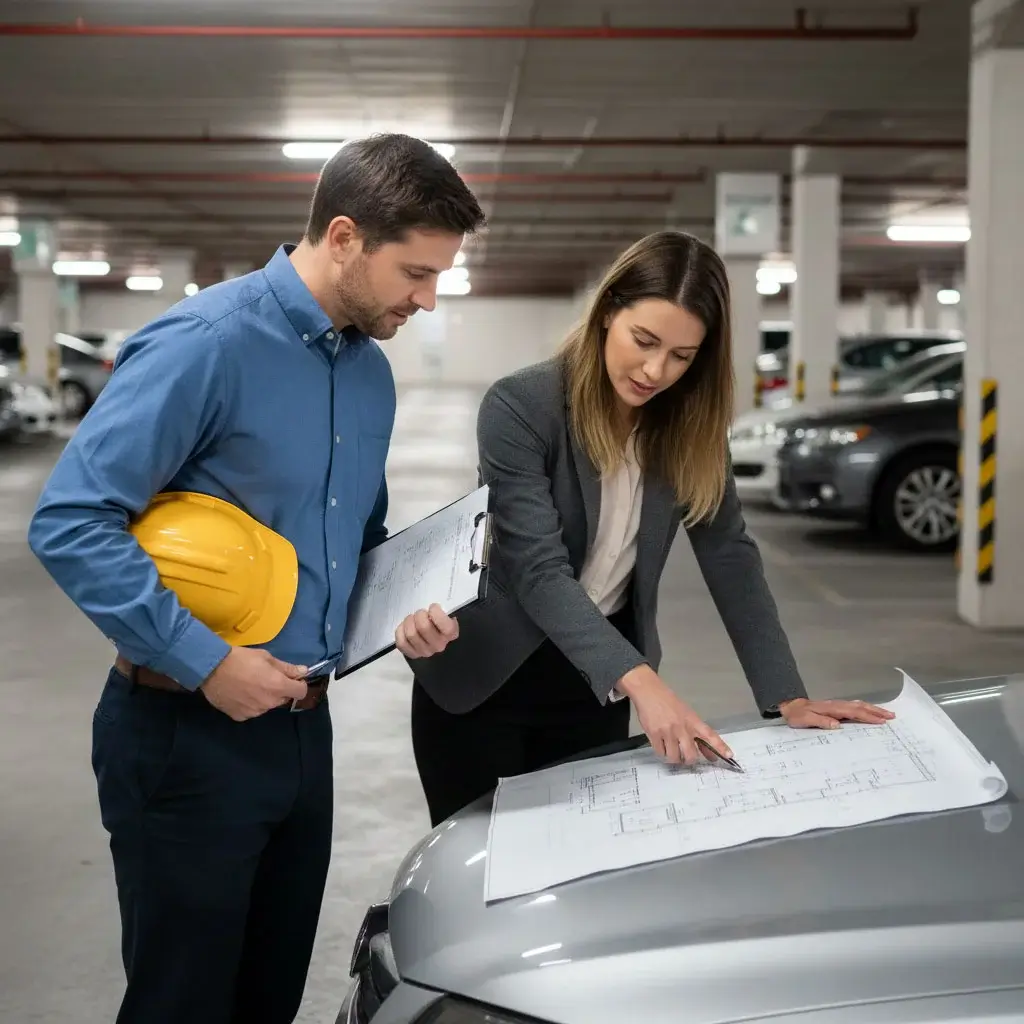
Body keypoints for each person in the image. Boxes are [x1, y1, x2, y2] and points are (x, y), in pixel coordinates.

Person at [27, 133, 485, 1024]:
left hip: (301, 736)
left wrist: (407, 611)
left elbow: (359, 538)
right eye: (416, 274)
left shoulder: (369, 377)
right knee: (183, 1003)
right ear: (345, 236)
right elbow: (71, 520)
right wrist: (206, 661)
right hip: (182, 732)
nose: (427, 301)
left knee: (267, 997)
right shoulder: (206, 344)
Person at [407, 229, 895, 827]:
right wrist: (646, 684)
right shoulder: (521, 406)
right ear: (609, 311)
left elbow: (729, 554)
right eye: (644, 340)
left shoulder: (689, 427)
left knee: (581, 867)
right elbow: (538, 570)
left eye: (683, 356)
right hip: (486, 681)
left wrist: (785, 696)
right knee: (480, 887)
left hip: (595, 685)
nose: (656, 369)